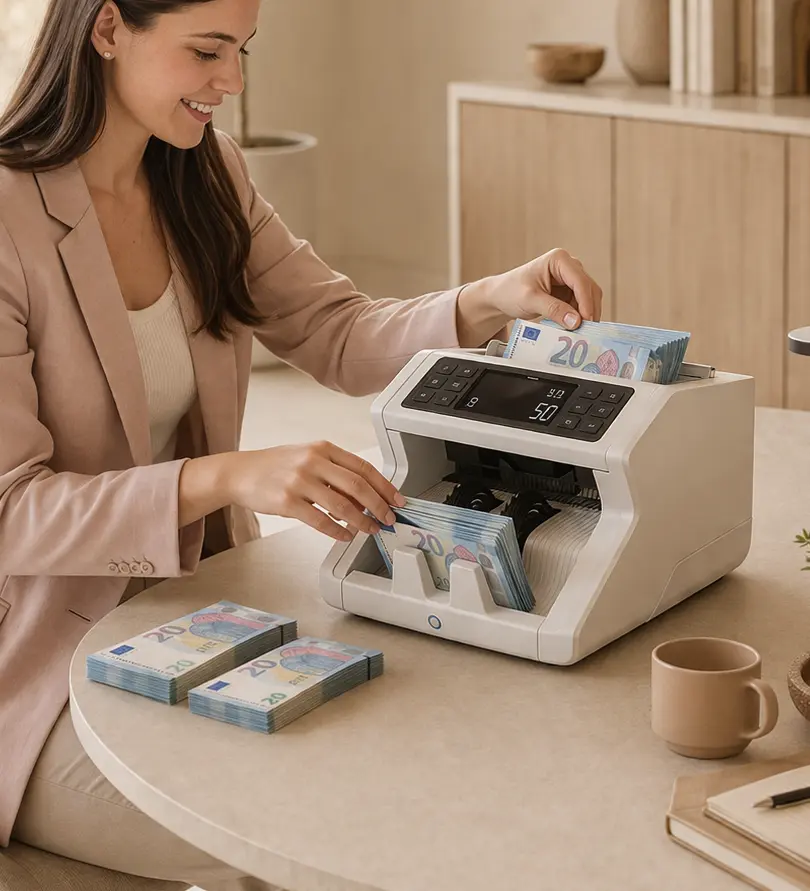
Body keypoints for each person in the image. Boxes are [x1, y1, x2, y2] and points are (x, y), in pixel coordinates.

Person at [0, 0, 603, 888]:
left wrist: (487, 299)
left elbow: (338, 332)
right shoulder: (7, 217)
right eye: (206, 50)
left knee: (403, 774)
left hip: (198, 608)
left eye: (242, 50)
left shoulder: (205, 174)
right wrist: (222, 477)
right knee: (287, 851)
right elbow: (11, 509)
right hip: (38, 669)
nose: (232, 81)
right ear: (108, 29)